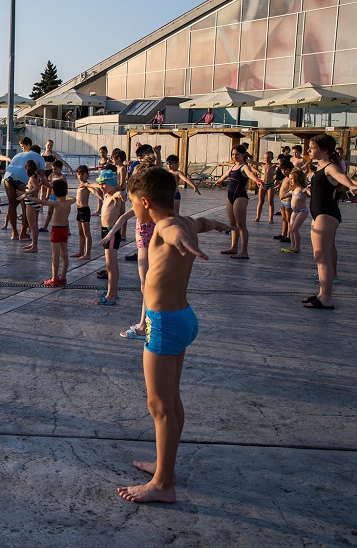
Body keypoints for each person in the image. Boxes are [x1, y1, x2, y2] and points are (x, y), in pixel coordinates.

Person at [117, 167, 228, 504]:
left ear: (146, 202)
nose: (133, 208)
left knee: (159, 404)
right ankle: (164, 465)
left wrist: (181, 240)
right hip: (181, 318)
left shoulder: (166, 226)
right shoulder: (186, 222)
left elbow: (170, 231)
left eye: (134, 203)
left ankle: (163, 484)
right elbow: (199, 222)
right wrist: (218, 225)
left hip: (164, 323)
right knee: (171, 399)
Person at [303, 134, 357, 309]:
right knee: (319, 257)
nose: (309, 150)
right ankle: (321, 293)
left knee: (322, 257)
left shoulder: (330, 167)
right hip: (320, 215)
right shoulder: (320, 167)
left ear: (324, 150)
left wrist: (351, 185)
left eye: (312, 147)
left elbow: (341, 176)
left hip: (326, 214)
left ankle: (326, 299)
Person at [214, 144, 262, 260]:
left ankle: (244, 251)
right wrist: (219, 181)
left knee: (241, 225)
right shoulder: (233, 166)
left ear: (243, 155)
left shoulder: (244, 167)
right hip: (230, 197)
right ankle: (233, 247)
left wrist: (257, 180)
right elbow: (225, 175)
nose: (235, 156)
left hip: (240, 197)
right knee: (232, 224)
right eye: (233, 154)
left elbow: (250, 174)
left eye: (237, 154)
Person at [85, 169, 124, 305]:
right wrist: (86, 185)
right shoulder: (106, 195)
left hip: (111, 233)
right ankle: (113, 292)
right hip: (106, 231)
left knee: (111, 266)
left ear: (112, 184)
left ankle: (110, 296)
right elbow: (97, 186)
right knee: (112, 266)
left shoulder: (113, 195)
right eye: (100, 184)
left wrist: (120, 194)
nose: (101, 186)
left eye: (104, 184)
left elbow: (118, 193)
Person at [33, 179, 75, 286]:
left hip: (56, 230)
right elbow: (74, 199)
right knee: (64, 255)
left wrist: (27, 197)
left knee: (55, 256)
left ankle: (54, 279)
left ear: (55, 191)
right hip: (65, 229)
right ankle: (63, 278)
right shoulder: (69, 202)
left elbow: (42, 202)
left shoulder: (56, 203)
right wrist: (65, 197)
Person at [2, 137, 45, 240]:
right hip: (22, 178)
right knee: (26, 206)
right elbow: (42, 176)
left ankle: (14, 233)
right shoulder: (39, 157)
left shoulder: (18, 155)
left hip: (8, 177)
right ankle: (23, 233)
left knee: (12, 205)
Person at [281, 170, 309, 254]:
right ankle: (293, 245)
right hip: (295, 211)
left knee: (295, 228)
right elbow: (287, 194)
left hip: (302, 211)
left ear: (298, 179)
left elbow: (310, 192)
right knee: (291, 229)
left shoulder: (303, 190)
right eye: (290, 179)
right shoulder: (293, 189)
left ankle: (297, 246)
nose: (290, 181)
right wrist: (282, 197)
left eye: (292, 179)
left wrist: (310, 190)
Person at [254, 151, 278, 224]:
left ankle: (271, 219)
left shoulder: (273, 165)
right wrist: (257, 172)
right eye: (265, 158)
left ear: (272, 158)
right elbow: (252, 164)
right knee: (260, 202)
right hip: (263, 184)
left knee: (270, 202)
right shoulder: (262, 165)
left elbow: (282, 165)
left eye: (268, 158)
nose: (266, 160)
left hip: (270, 184)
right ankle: (258, 217)